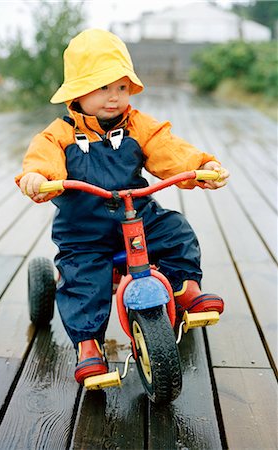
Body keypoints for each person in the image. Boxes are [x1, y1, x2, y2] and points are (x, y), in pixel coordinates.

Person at [16, 29, 229, 385]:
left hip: (137, 216)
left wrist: (200, 168)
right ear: (77, 92)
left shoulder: (137, 125)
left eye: (121, 88)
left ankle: (184, 288)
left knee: (177, 231)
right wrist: (37, 177)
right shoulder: (60, 134)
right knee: (83, 277)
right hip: (84, 229)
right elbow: (42, 159)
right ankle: (88, 345)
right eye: (102, 88)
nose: (114, 98)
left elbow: (169, 150)